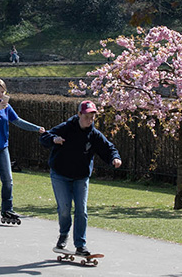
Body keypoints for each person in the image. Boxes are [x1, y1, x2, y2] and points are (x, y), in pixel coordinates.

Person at [39, 100, 122, 256]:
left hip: (81, 177)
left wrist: (114, 158)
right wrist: (53, 139)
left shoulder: (94, 135)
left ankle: (80, 245)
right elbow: (44, 137)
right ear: (79, 115)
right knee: (64, 209)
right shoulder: (66, 128)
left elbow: (108, 148)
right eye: (86, 117)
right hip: (60, 175)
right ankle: (63, 235)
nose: (89, 121)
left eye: (92, 117)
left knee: (81, 211)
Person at [0, 78, 45, 226]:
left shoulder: (7, 107)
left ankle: (7, 210)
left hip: (1, 148)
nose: (0, 94)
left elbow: (18, 121)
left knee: (8, 180)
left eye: (2, 92)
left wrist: (36, 128)